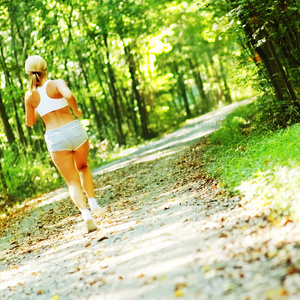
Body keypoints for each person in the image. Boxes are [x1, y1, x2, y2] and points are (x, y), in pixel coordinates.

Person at [24, 55, 105, 232]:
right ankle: (93, 203)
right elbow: (69, 95)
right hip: (73, 129)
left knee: (72, 182)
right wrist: (76, 110)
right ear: (45, 68)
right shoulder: (56, 83)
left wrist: (37, 109)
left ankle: (86, 215)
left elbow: (29, 122)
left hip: (55, 137)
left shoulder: (30, 96)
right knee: (83, 167)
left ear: (28, 73)